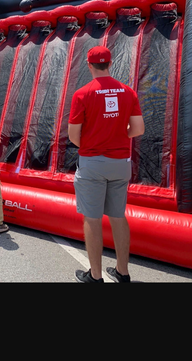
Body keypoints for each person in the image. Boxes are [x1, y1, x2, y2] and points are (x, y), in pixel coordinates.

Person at [68, 46, 145, 283]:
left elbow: (73, 135)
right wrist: (118, 137)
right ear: (110, 64)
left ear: (89, 66)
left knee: (92, 219)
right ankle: (123, 272)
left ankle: (95, 276)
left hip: (93, 162)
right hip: (121, 162)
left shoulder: (82, 94)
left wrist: (93, 143)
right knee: (118, 216)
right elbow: (139, 129)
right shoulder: (128, 92)